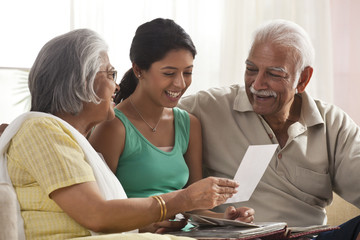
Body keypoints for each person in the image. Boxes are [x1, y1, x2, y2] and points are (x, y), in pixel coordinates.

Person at [0, 28, 241, 240]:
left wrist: (148, 223)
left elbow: (95, 215)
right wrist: (184, 199)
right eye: (110, 74)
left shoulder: (65, 137)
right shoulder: (41, 130)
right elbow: (96, 214)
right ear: (81, 83)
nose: (117, 87)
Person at [178, 18, 360, 232]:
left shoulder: (333, 123)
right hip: (237, 237)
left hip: (310, 237)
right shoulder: (207, 107)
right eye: (251, 69)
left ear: (303, 79)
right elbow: (148, 115)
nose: (257, 84)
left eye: (274, 74)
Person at [88, 17, 254, 233]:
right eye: (169, 73)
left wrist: (227, 218)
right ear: (139, 70)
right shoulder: (113, 127)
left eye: (188, 72)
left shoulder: (189, 124)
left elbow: (193, 206)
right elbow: (98, 211)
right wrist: (141, 227)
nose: (180, 83)